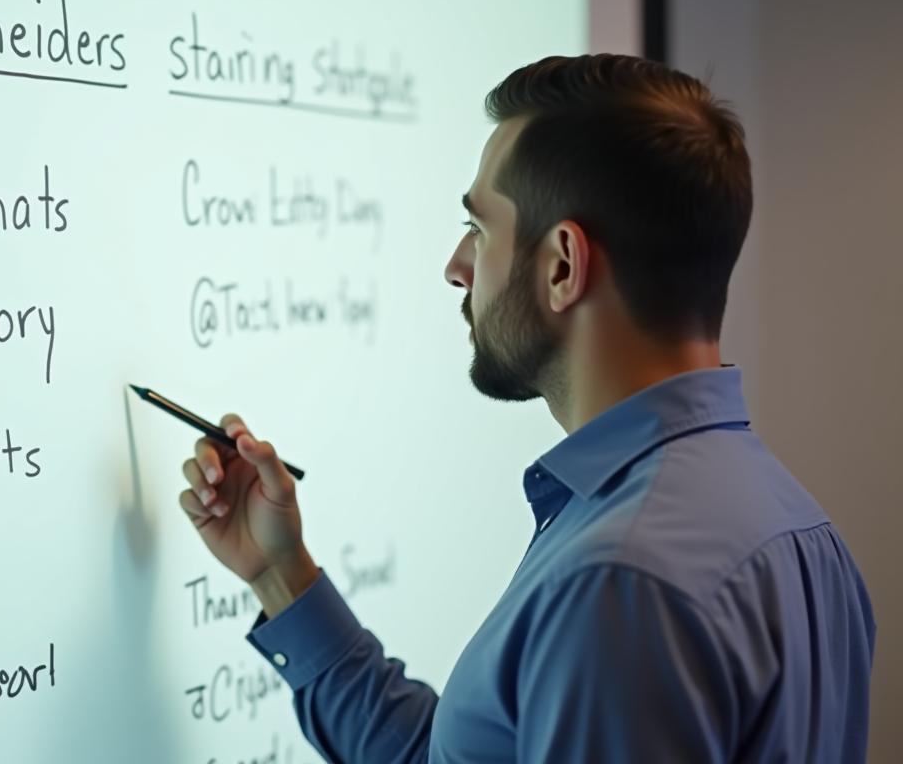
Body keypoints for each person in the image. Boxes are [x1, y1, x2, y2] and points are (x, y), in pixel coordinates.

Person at [177, 54, 876, 763]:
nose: (457, 265)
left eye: (479, 228)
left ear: (563, 265)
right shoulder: (797, 527)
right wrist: (280, 574)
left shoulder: (618, 583)